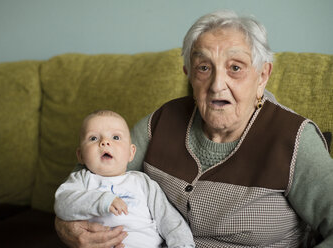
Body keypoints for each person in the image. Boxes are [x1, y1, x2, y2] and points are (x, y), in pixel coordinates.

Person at [55, 10, 333, 247]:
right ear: (189, 74)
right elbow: (92, 175)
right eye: (204, 67)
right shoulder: (162, 121)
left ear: (262, 75)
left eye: (235, 67)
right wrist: (65, 226)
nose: (216, 84)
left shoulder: (294, 139)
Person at [54, 110, 195, 248]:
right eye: (93, 138)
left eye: (115, 137)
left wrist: (182, 244)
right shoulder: (81, 180)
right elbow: (62, 204)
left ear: (131, 152)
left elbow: (169, 219)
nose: (105, 142)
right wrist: (102, 201)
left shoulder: (143, 183)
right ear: (80, 156)